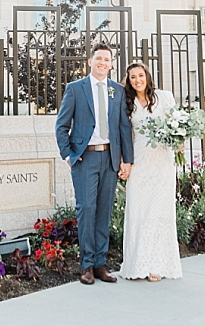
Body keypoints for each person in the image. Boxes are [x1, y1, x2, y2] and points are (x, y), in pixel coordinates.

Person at [54, 42, 134, 285]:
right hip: (85, 158)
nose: (102, 63)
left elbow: (123, 127)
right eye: (98, 59)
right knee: (87, 209)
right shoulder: (75, 89)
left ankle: (100, 264)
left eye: (107, 60)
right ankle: (86, 265)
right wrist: (69, 155)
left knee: (103, 211)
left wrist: (127, 160)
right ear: (90, 62)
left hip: (109, 158)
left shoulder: (117, 91)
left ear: (111, 64)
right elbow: (61, 125)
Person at [119, 63, 182, 281]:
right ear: (128, 81)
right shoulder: (127, 103)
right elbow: (125, 135)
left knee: (159, 212)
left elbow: (177, 124)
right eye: (133, 77)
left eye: (140, 75)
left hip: (163, 162)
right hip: (140, 162)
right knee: (139, 211)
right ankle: (138, 263)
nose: (137, 80)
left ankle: (157, 264)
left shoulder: (165, 97)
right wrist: (124, 162)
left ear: (147, 76)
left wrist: (179, 141)